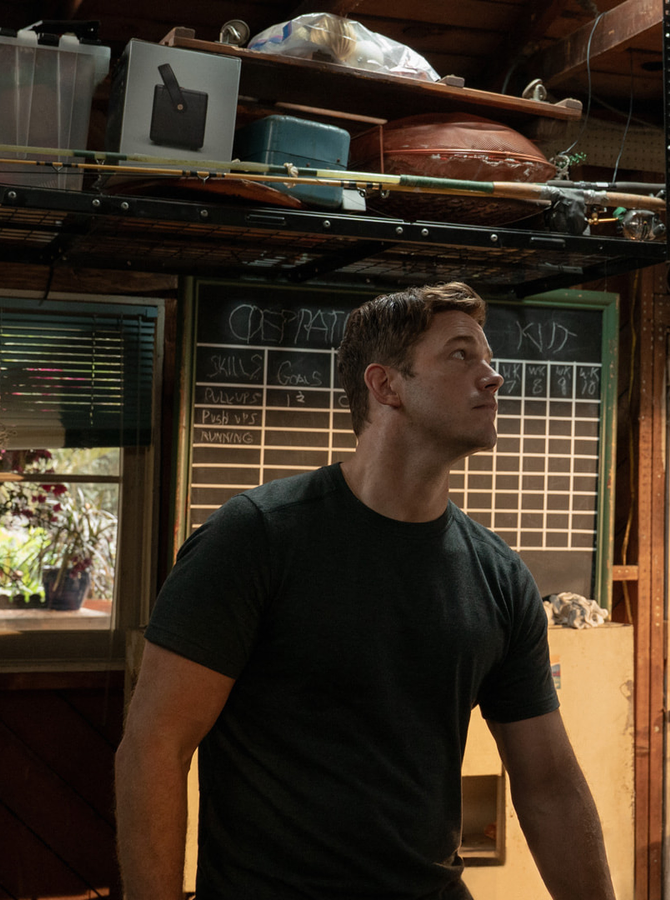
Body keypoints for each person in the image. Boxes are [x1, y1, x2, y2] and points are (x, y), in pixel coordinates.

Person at [114, 282, 616, 900]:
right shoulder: (257, 538)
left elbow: (548, 785)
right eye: (462, 355)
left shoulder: (499, 576)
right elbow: (155, 745)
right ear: (386, 386)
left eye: (488, 359)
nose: (493, 378)